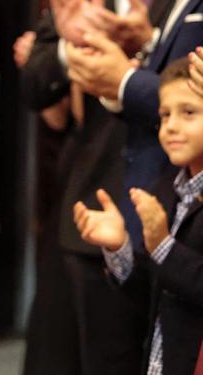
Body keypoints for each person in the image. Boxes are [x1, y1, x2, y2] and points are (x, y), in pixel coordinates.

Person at [20, 0, 196, 373]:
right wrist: (68, 47)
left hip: (180, 199)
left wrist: (136, 56)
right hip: (98, 196)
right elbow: (34, 85)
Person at [74, 57, 203, 375]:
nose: (171, 125)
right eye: (164, 115)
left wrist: (162, 245)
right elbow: (153, 291)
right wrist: (120, 248)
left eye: (189, 112)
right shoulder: (167, 188)